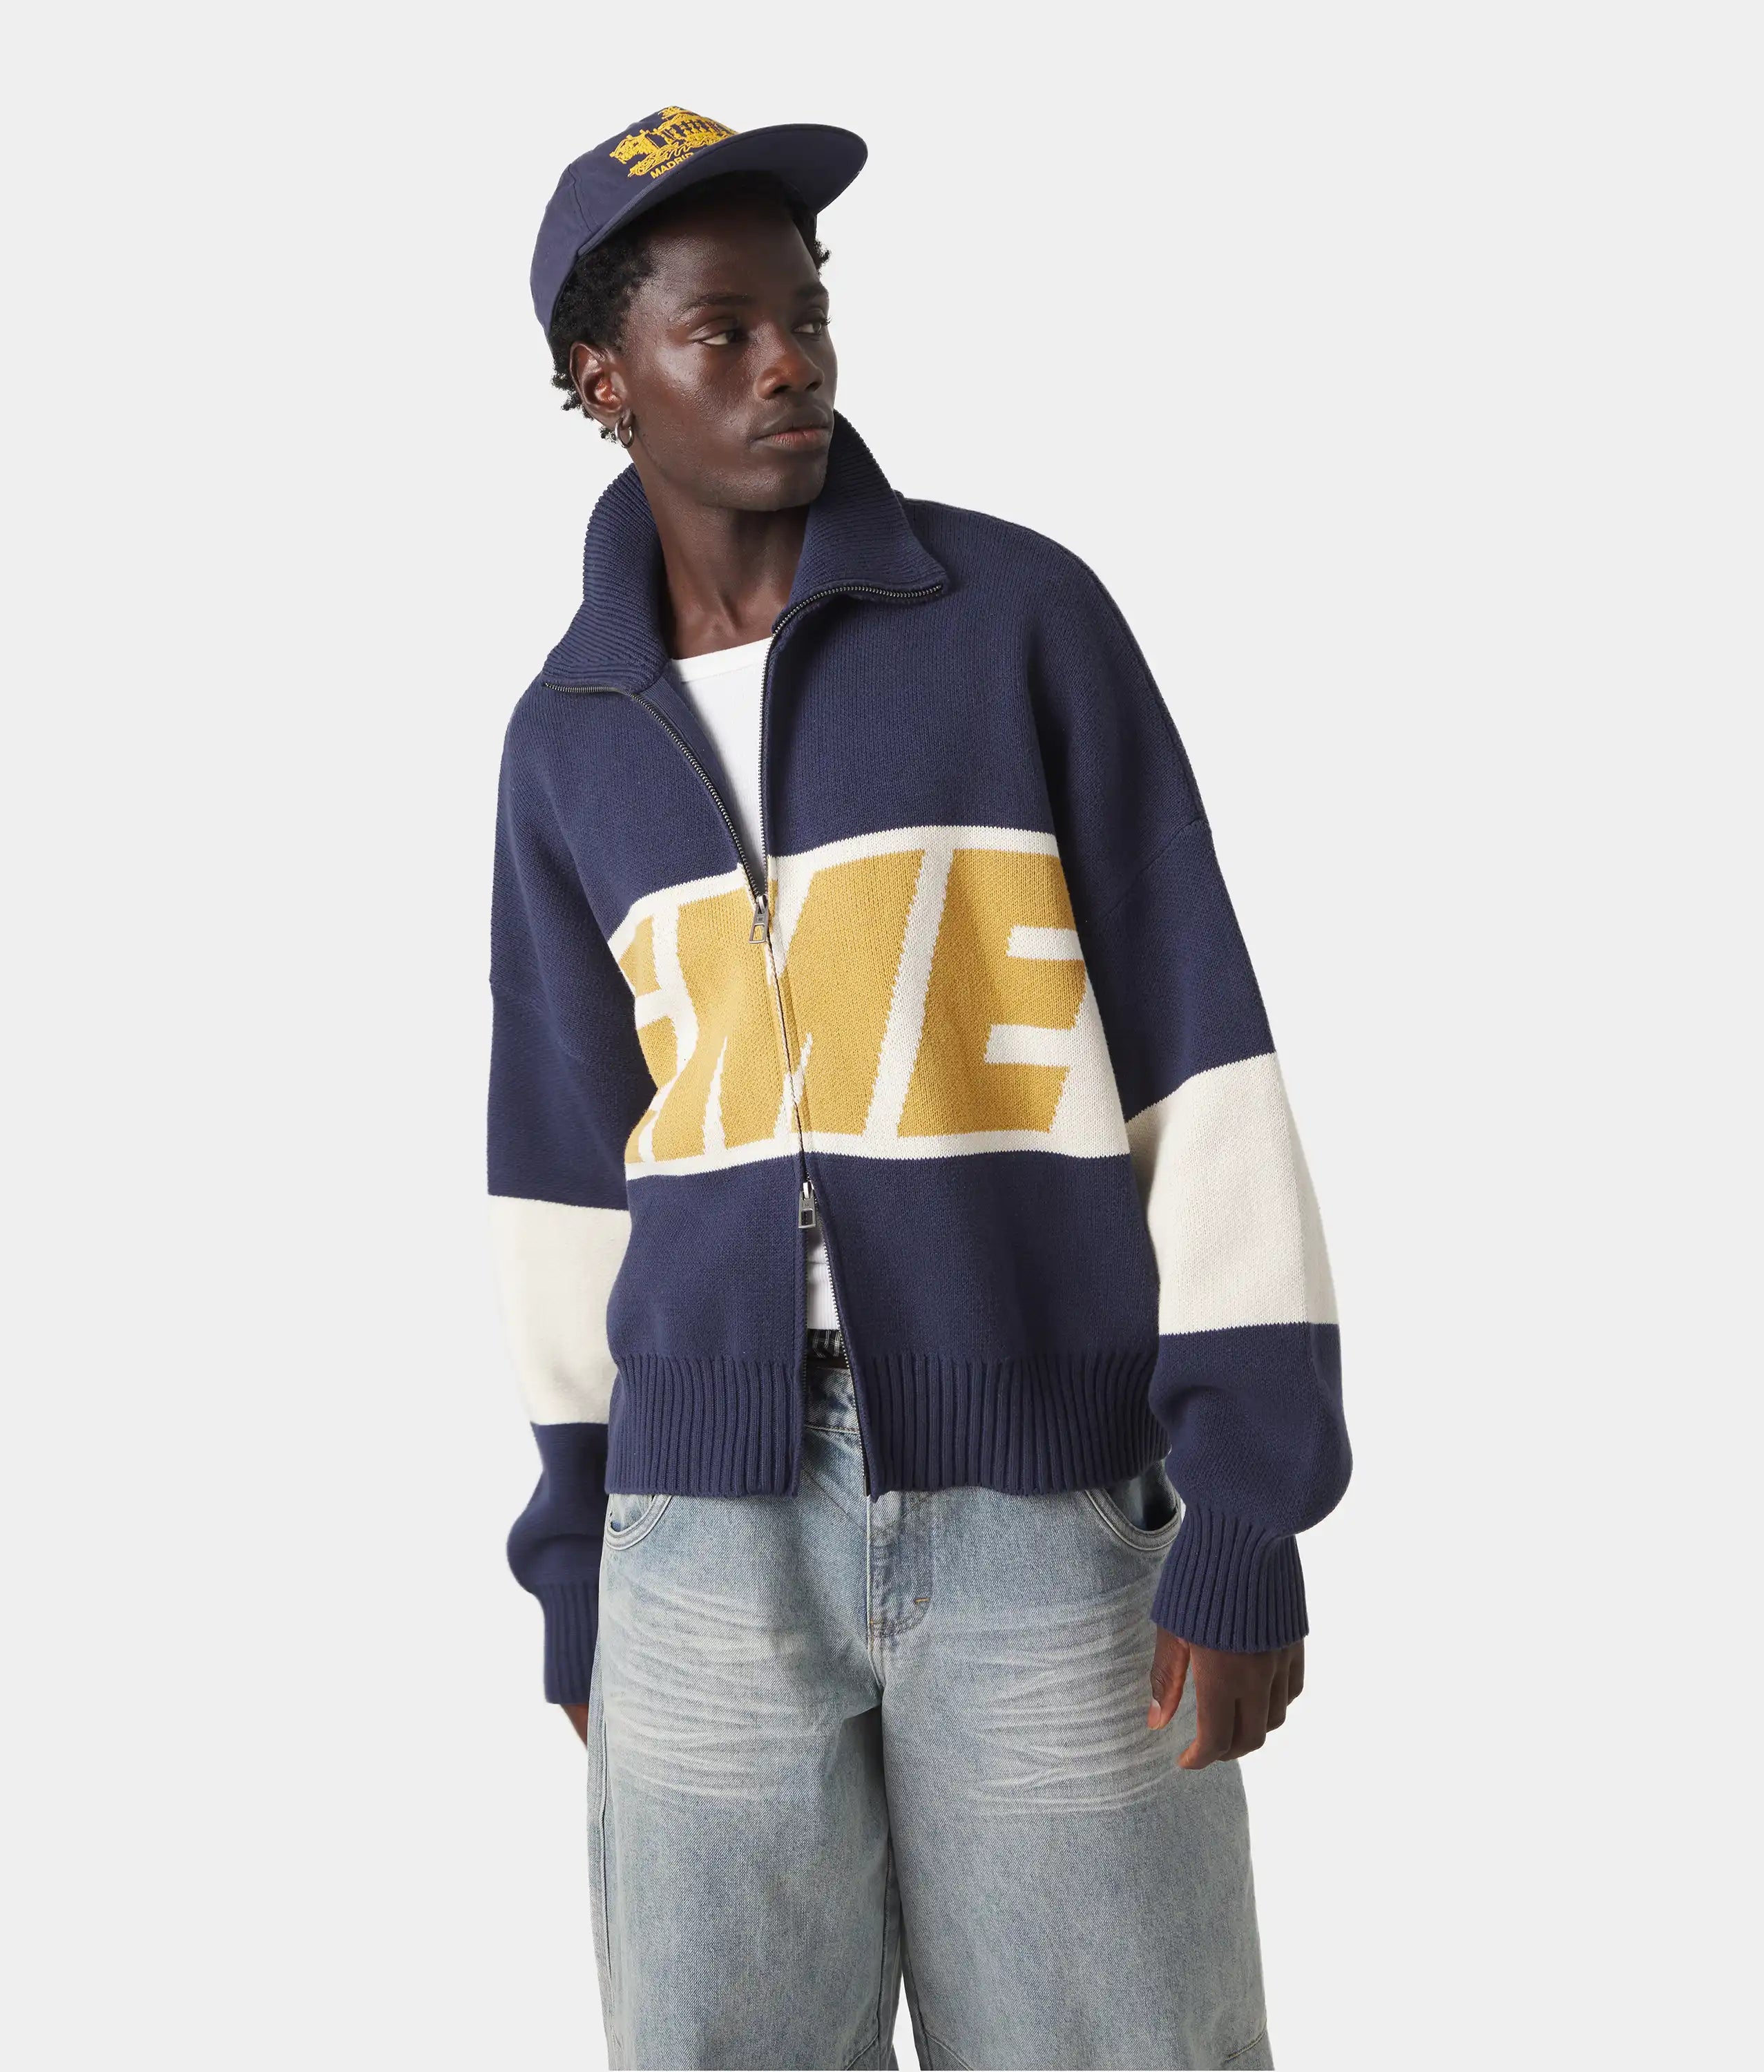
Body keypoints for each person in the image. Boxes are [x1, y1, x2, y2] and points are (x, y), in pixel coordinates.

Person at [488, 104, 1348, 2072]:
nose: (788, 362)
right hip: (697, 1528)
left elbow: (1202, 1061)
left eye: (806, 315)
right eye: (723, 333)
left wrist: (1248, 1504)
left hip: (1045, 1501)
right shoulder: (569, 738)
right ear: (605, 380)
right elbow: (558, 1170)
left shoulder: (1017, 622)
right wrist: (577, 1560)